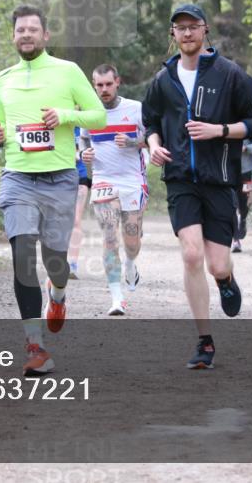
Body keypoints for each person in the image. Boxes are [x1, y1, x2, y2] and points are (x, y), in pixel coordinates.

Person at [141, 3, 252, 369]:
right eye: (180, 28)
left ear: (205, 30)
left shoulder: (229, 74)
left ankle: (226, 279)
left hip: (220, 180)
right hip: (180, 179)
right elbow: (150, 121)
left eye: (193, 26)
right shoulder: (163, 80)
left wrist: (219, 131)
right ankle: (204, 341)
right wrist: (153, 145)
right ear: (173, 35)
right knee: (191, 255)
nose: (187, 33)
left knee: (216, 264)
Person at [0, 5, 106, 376]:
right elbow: (1, 123)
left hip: (59, 178)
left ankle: (58, 295)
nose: (26, 35)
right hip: (18, 178)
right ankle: (35, 346)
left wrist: (66, 116)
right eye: (20, 30)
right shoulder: (4, 78)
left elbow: (98, 115)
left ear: (45, 36)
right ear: (14, 37)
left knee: (54, 260)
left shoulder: (67, 72)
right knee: (22, 253)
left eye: (32, 30)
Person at [80, 64, 147, 316]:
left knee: (132, 241)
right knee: (109, 237)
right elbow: (84, 139)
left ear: (117, 82)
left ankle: (130, 264)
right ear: (94, 85)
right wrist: (83, 152)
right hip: (103, 180)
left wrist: (133, 142)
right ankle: (117, 298)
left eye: (108, 84)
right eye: (99, 85)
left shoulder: (136, 109)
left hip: (132, 181)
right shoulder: (90, 112)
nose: (104, 89)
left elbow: (151, 138)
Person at [232, 137, 252, 253]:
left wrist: (246, 148)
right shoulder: (223, 121)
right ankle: (235, 240)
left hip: (246, 171)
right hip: (228, 170)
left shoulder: (248, 122)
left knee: (243, 204)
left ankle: (243, 219)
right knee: (231, 204)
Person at [67, 127, 91, 280]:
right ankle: (58, 260)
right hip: (58, 176)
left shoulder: (83, 126)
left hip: (80, 177)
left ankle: (72, 264)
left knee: (75, 220)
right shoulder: (57, 122)